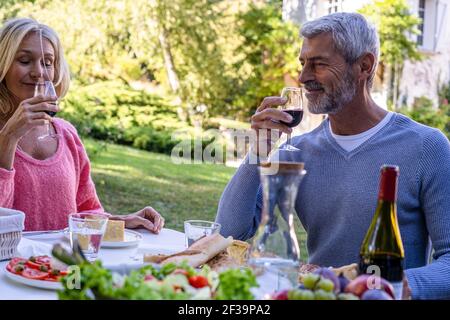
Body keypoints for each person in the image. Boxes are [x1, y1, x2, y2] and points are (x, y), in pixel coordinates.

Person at [216, 12, 450, 300]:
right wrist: (258, 152)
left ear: (364, 65)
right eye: (303, 63)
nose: (303, 77)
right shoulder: (298, 151)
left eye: (319, 64)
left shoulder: (427, 147)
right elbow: (228, 231)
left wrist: (390, 288)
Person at [0, 18, 164, 233]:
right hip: (10, 265)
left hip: (60, 264)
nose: (39, 72)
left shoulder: (66, 134)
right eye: (24, 60)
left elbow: (86, 210)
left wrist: (118, 221)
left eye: (48, 62)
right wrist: (9, 137)